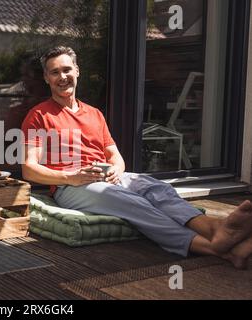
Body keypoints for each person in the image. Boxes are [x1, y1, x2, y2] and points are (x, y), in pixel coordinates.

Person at [21, 46, 252, 269]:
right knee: (136, 204)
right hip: (71, 187)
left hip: (107, 177)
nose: (62, 76)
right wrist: (70, 177)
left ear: (77, 71)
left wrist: (116, 170)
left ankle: (215, 229)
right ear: (46, 78)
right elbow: (29, 169)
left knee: (156, 188)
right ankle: (218, 249)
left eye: (67, 69)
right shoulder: (38, 116)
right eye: (55, 72)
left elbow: (115, 156)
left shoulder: (94, 114)